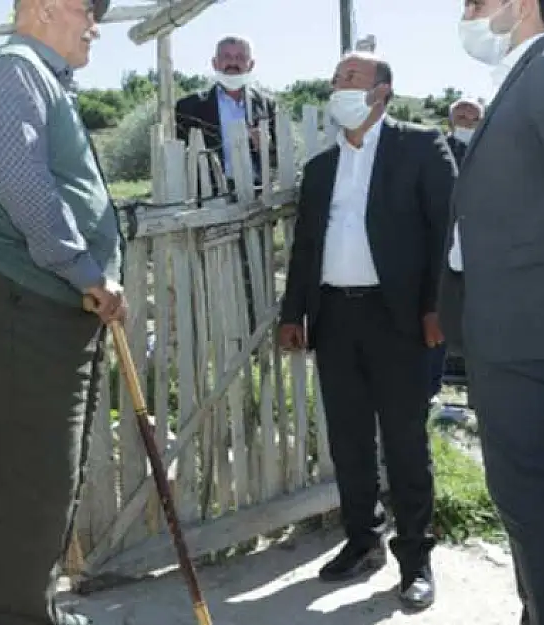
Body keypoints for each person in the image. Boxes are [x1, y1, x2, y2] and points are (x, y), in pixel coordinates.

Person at [0, 0, 122, 623]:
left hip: (33, 295)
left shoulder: (35, 76)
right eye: (89, 9)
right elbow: (23, 186)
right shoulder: (16, 70)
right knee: (32, 477)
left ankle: (30, 609)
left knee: (42, 471)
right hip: (26, 294)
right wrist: (85, 270)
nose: (96, 23)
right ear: (46, 7)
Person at [442, 0, 544, 623]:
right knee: (520, 492)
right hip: (506, 322)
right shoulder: (519, 81)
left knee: (522, 492)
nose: (465, 12)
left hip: (528, 325)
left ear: (517, 5)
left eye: (475, 2)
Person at [279, 52, 455, 610]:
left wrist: (436, 308)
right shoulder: (322, 168)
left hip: (398, 317)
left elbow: (446, 232)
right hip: (334, 317)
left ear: (382, 91)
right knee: (349, 439)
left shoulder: (420, 147)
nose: (338, 87)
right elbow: (306, 247)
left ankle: (416, 559)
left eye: (350, 79)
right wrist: (292, 314)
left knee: (404, 440)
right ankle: (362, 541)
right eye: (335, 79)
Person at [175, 35, 278, 193]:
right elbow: (178, 160)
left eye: (240, 57)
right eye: (226, 57)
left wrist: (266, 147)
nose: (233, 63)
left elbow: (280, 158)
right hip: (210, 197)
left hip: (258, 194)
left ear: (251, 65)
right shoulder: (189, 107)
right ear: (215, 63)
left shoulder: (266, 105)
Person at [431, 97, 483, 399]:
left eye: (472, 115)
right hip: (443, 242)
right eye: (460, 114)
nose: (465, 118)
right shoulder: (437, 149)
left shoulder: (492, 152)